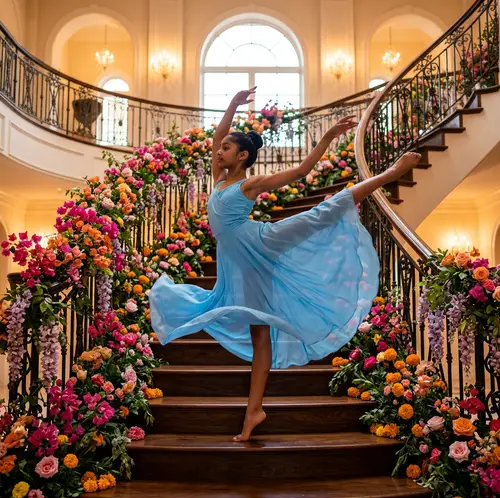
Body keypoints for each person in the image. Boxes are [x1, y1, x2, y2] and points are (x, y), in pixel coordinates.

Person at [150, 87, 421, 442]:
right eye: (220, 149)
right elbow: (217, 135)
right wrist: (232, 103)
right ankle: (254, 411)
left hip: (260, 241)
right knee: (258, 332)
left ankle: (389, 174)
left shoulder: (250, 185)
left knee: (323, 212)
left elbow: (302, 170)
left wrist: (325, 138)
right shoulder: (218, 178)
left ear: (243, 155)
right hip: (237, 266)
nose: (219, 151)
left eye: (227, 149)